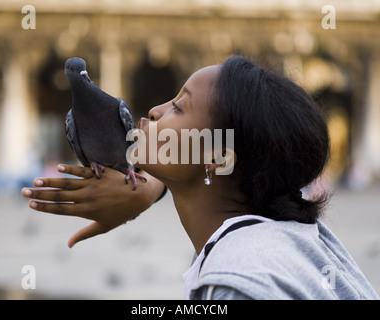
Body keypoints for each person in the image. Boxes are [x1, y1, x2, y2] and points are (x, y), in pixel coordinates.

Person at [22, 56, 379, 300]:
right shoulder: (297, 233)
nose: (154, 111)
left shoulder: (236, 283)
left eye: (178, 107)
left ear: (218, 158)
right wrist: (152, 187)